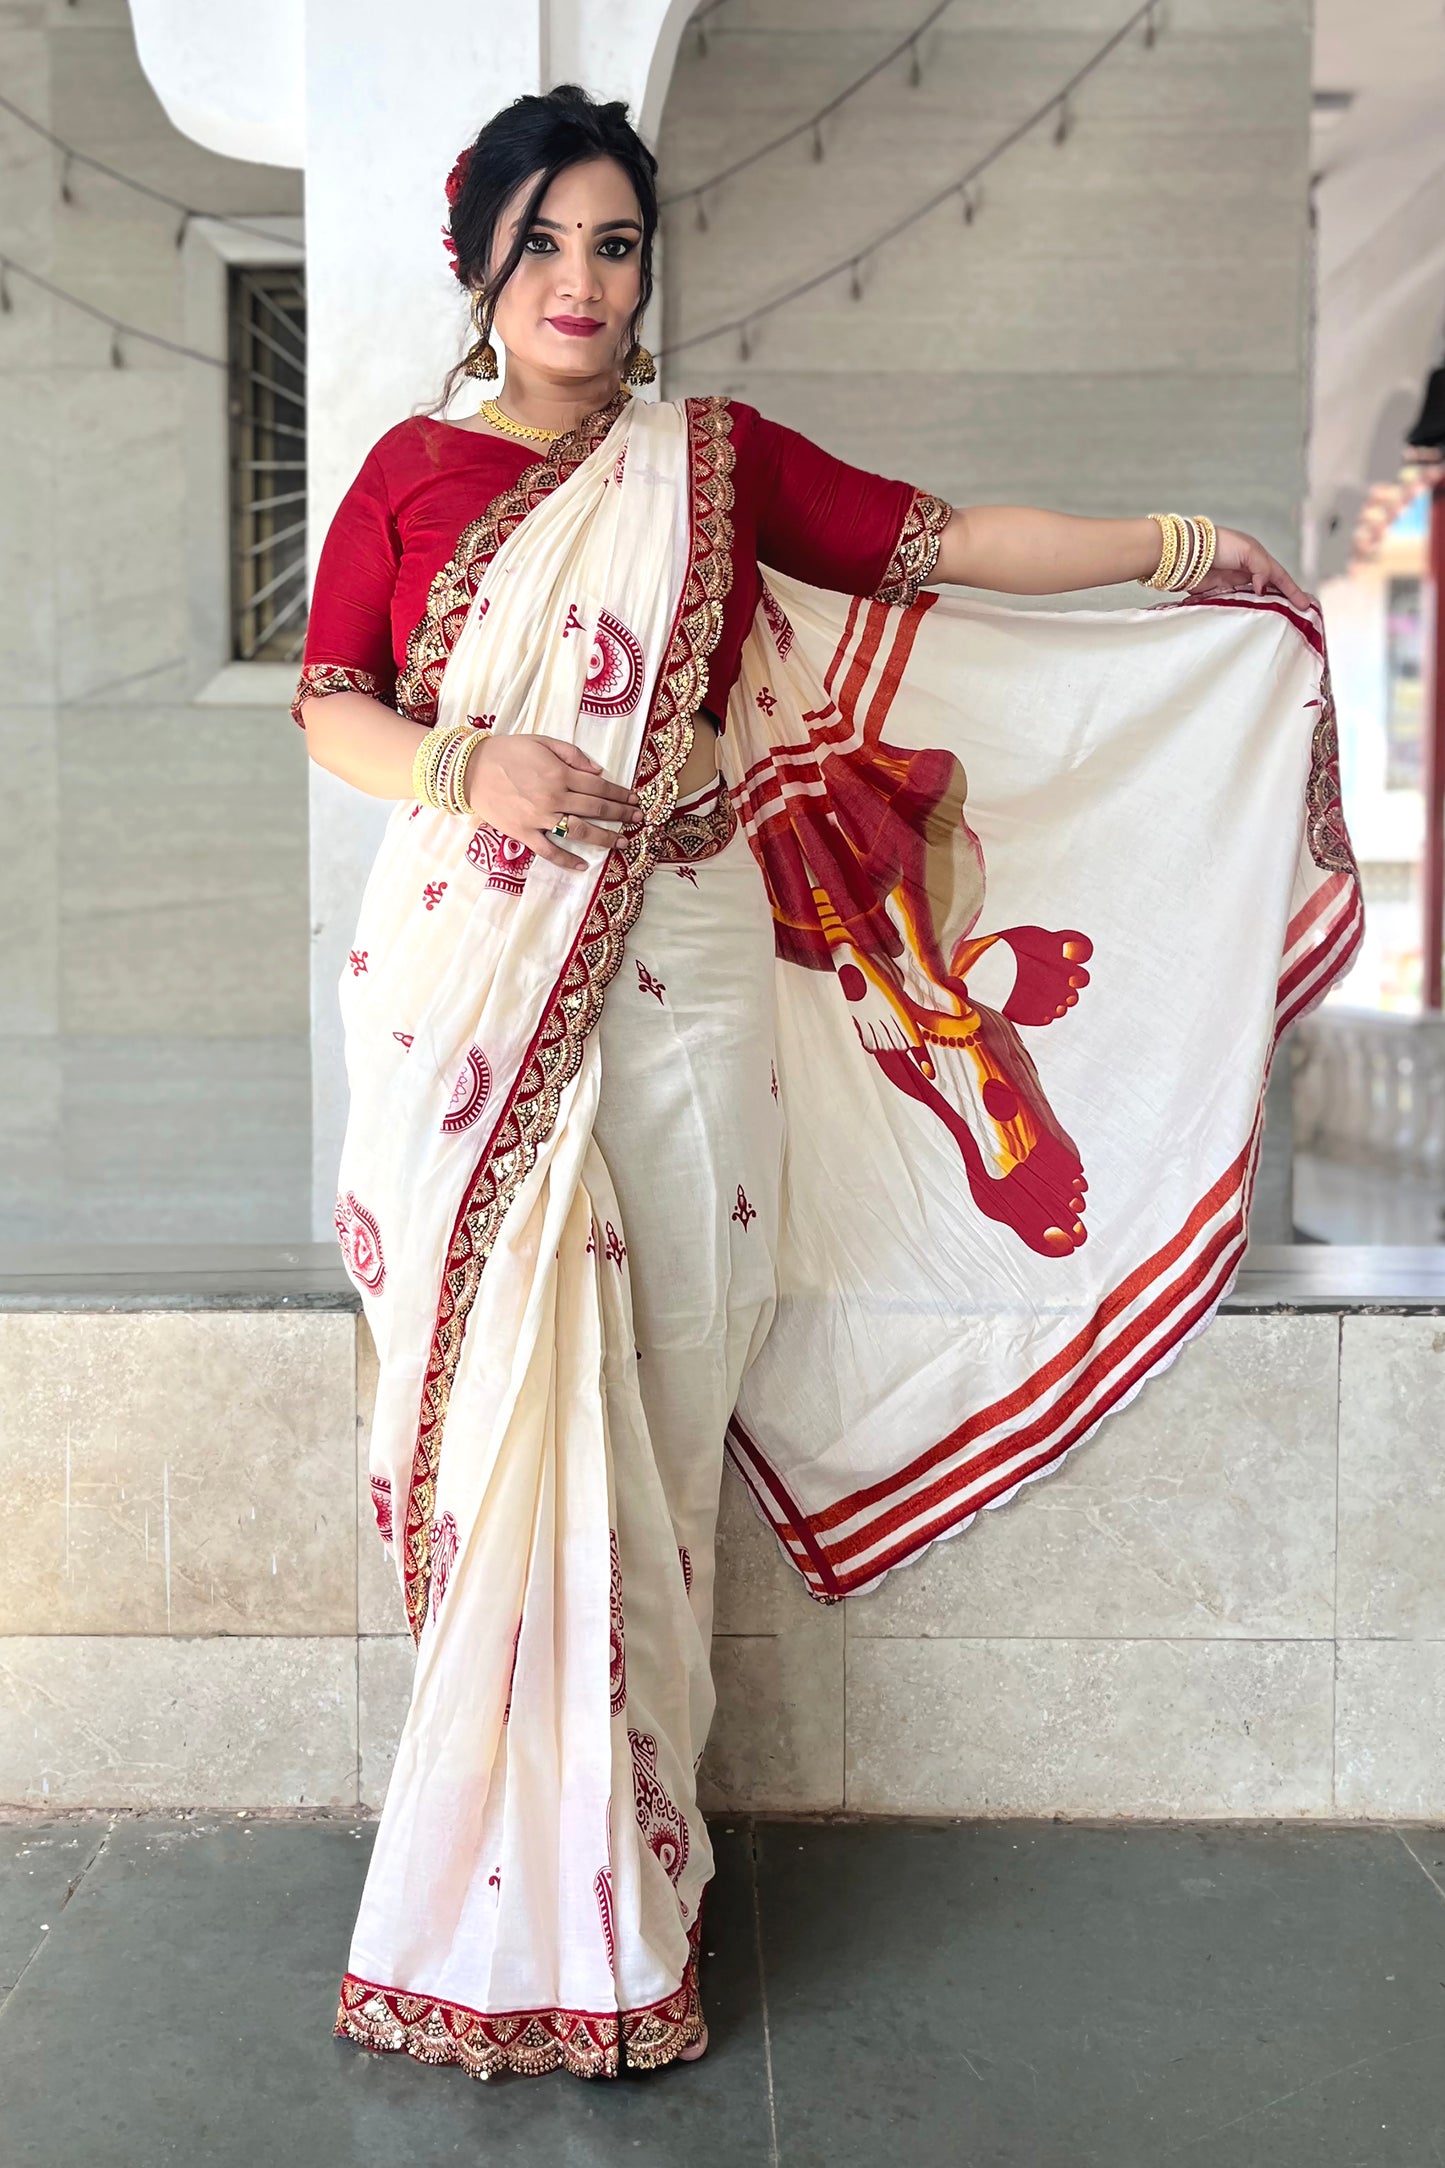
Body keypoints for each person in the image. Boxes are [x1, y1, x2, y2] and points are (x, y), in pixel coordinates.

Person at [295, 86, 1358, 2082]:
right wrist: (472, 766)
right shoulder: (413, 479)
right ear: (481, 267)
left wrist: (1185, 545)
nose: (584, 283)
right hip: (470, 979)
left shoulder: (714, 465)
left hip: (686, 959)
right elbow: (333, 692)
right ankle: (493, 1901)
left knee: (677, 1379)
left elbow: (941, 541)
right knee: (499, 1402)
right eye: (544, 246)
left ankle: (627, 1864)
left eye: (614, 244)